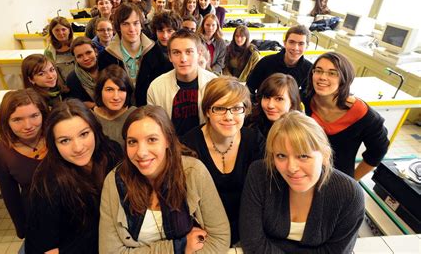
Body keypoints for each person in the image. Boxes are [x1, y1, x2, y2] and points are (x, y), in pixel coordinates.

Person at [99, 105, 230, 253]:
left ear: (168, 140)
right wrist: (177, 248)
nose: (141, 153)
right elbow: (109, 251)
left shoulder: (194, 172)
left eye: (152, 140)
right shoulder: (115, 181)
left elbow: (220, 238)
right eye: (132, 142)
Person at [240, 111, 365, 253]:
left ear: (325, 155)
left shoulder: (349, 195)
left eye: (303, 156)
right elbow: (252, 243)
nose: (292, 168)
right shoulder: (260, 174)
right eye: (281, 156)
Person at [26, 99, 122, 253]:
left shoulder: (112, 153)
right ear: (54, 144)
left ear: (95, 130)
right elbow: (46, 247)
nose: (78, 148)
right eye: (65, 140)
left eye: (84, 134)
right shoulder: (47, 183)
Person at [181, 76, 264, 246]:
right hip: (204, 232)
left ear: (245, 110)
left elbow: (262, 196)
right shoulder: (188, 145)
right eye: (219, 108)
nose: (229, 117)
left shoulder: (255, 141)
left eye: (236, 108)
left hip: (249, 228)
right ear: (207, 111)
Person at [303, 52, 389, 179]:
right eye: (318, 71)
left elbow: (378, 151)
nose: (322, 77)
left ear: (344, 78)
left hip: (337, 177)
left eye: (332, 73)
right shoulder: (303, 101)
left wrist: (352, 181)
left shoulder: (365, 116)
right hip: (303, 172)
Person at [0, 89, 49, 239]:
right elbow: (10, 195)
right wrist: (21, 228)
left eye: (34, 115)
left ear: (43, 113)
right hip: (38, 215)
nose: (28, 125)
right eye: (17, 120)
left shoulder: (57, 135)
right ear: (6, 121)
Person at [147, 29, 217, 136]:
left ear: (199, 54)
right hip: (171, 147)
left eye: (189, 52)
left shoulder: (214, 84)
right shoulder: (156, 87)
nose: (183, 59)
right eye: (176, 53)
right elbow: (154, 127)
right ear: (170, 56)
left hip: (206, 147)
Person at [98, 3, 169, 106]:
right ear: (118, 27)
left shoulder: (156, 52)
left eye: (136, 23)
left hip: (150, 111)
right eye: (126, 24)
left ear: (141, 25)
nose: (132, 29)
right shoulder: (106, 57)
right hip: (120, 114)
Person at [246, 24, 313, 98]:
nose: (295, 48)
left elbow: (307, 96)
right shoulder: (266, 62)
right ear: (284, 43)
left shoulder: (309, 69)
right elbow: (249, 89)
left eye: (301, 44)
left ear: (307, 47)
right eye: (291, 42)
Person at [92, 65, 137, 147]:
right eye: (109, 90)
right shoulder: (88, 117)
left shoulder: (136, 115)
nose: (116, 97)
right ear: (100, 91)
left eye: (121, 90)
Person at [246, 73, 302, 139]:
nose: (270, 105)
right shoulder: (250, 124)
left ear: (292, 102)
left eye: (279, 99)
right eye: (266, 97)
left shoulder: (301, 133)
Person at [67, 37, 100, 109]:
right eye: (79, 56)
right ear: (75, 59)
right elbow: (78, 104)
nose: (86, 58)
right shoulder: (72, 78)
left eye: (88, 53)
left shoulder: (108, 67)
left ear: (96, 52)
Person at [44, 16, 75, 82]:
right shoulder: (49, 52)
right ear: (52, 32)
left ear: (69, 30)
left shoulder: (77, 45)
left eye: (63, 29)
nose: (61, 33)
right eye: (56, 30)